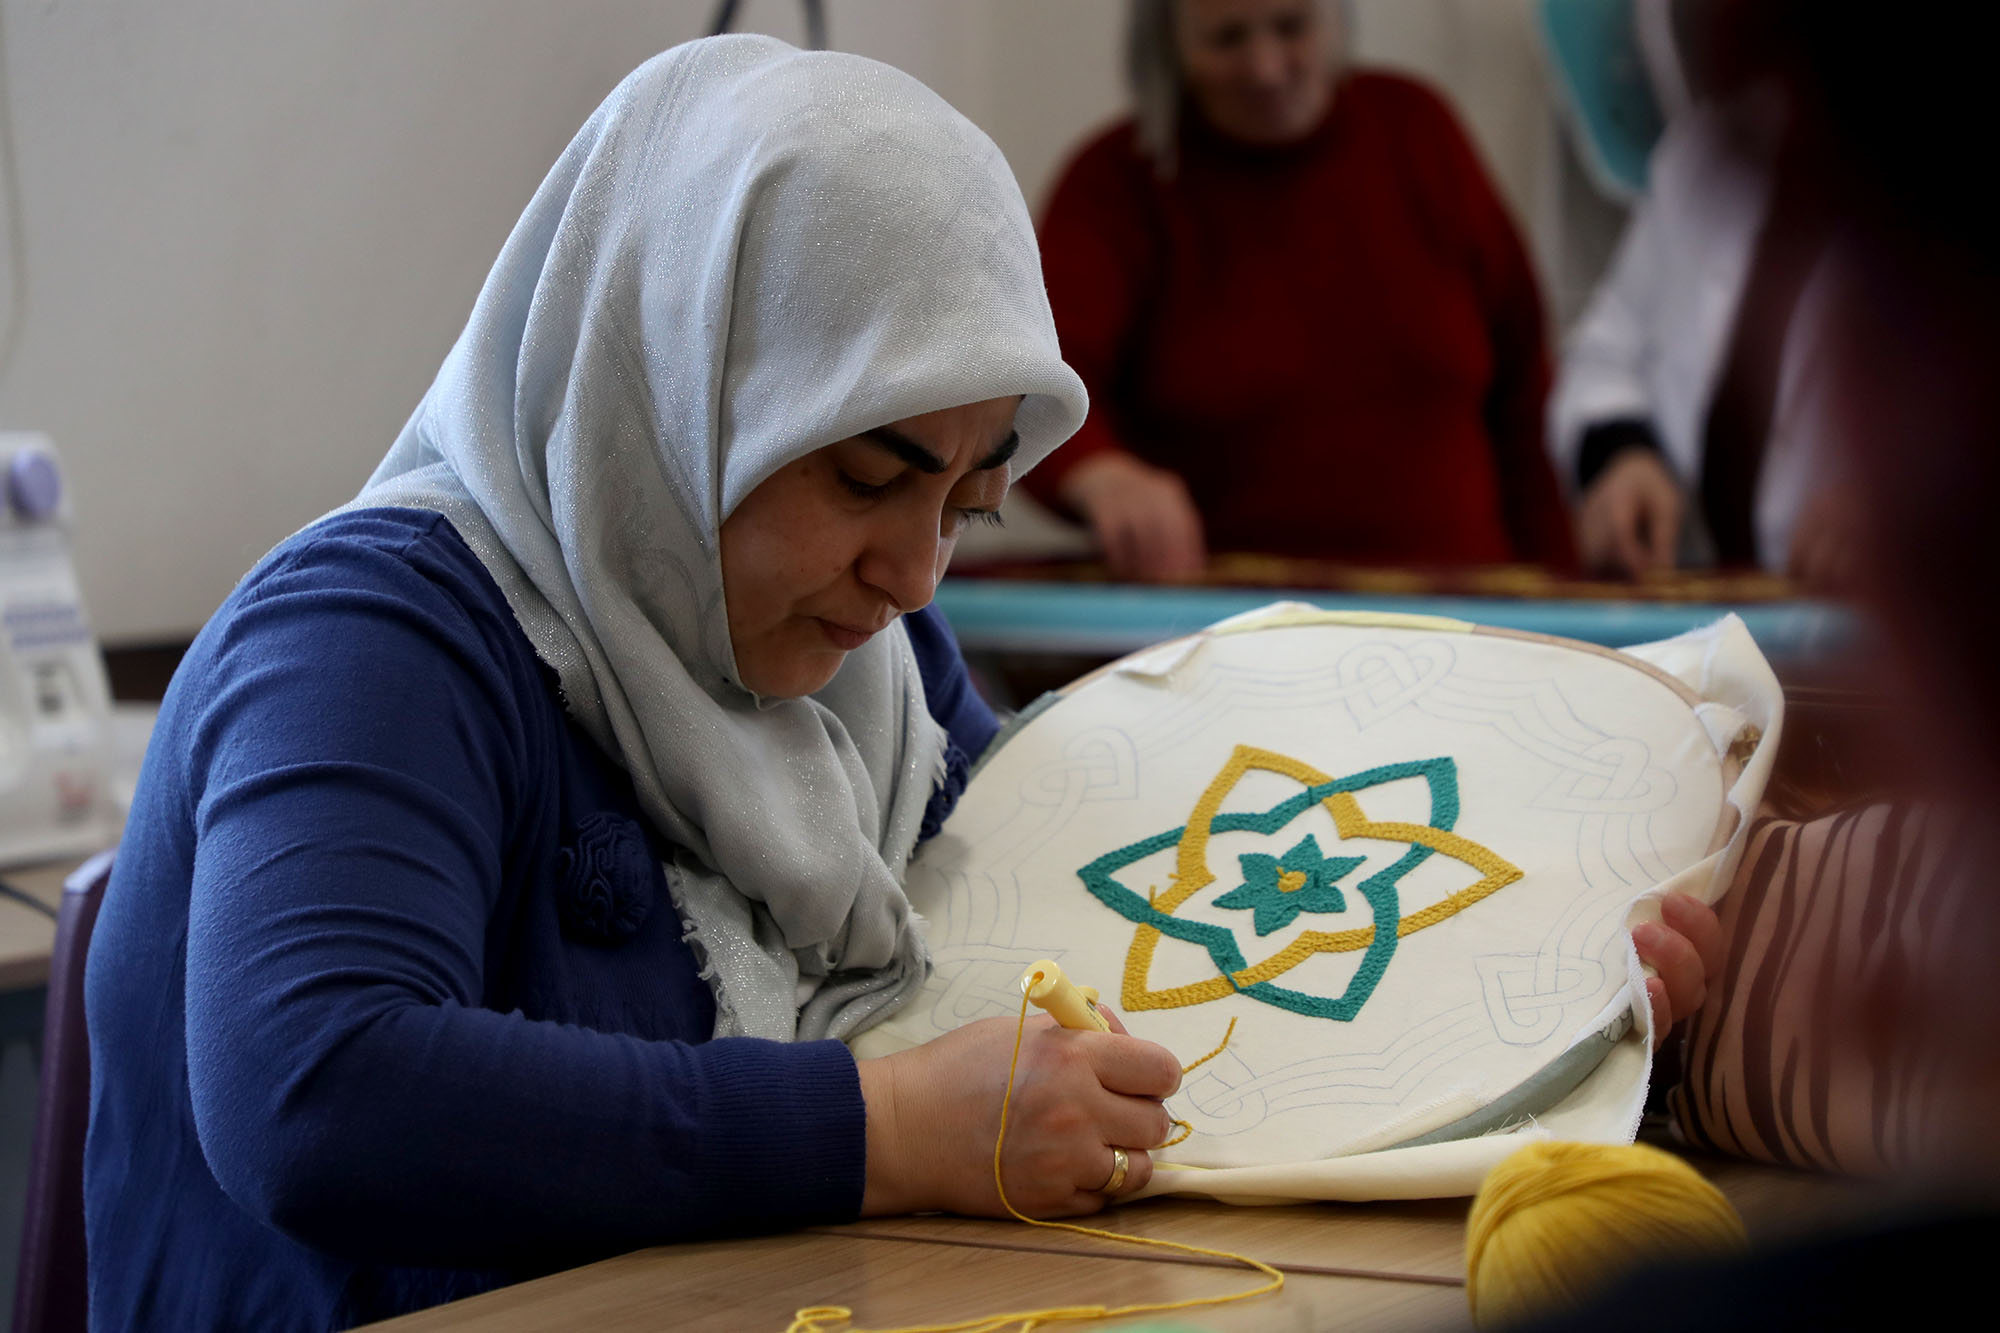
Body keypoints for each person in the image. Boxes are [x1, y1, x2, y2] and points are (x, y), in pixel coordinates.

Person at [81, 38, 1192, 1331]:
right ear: (680, 386)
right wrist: (884, 1127)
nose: (916, 575)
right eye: (867, 479)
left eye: (971, 505)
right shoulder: (369, 640)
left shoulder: (869, 679)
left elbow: (1042, 907)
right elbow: (315, 1087)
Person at [1025, 0, 1577, 581]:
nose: (1265, 67)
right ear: (1169, 48)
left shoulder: (1420, 129)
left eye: (1292, 28)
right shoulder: (1117, 183)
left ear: (1338, 22)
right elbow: (1031, 384)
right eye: (1227, 39)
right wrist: (1101, 473)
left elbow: (1525, 388)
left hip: (1467, 608)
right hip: (1225, 622)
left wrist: (1560, 583)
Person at [1547, 14, 1861, 587]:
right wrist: (1623, 457)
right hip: (1725, 603)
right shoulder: (1694, 161)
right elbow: (1603, 357)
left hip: (1909, 630)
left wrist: (1911, 505)